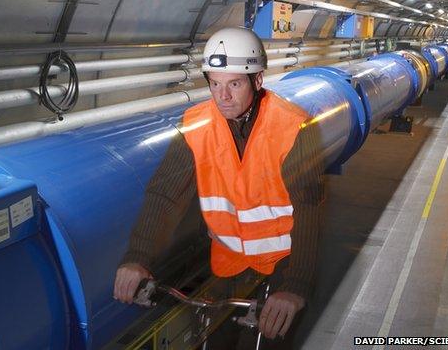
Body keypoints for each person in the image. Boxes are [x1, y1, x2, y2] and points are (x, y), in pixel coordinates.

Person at [113, 26, 324, 348]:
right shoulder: (196, 126)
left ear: (258, 80)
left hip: (281, 263)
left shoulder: (293, 126)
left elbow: (308, 206)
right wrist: (138, 256)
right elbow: (165, 196)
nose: (223, 96)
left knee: (273, 338)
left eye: (234, 84)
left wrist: (296, 286)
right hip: (227, 264)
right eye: (215, 84)